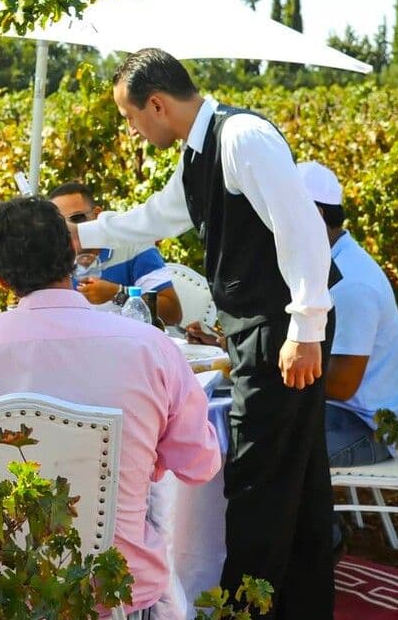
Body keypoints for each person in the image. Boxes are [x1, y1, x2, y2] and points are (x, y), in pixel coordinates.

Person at [71, 48, 336, 619]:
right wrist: (78, 235)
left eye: (130, 116)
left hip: (278, 332)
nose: (133, 130)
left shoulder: (241, 138)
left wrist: (305, 328)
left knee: (257, 486)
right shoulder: (198, 155)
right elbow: (151, 220)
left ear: (158, 105)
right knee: (300, 482)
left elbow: (304, 230)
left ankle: (245, 611)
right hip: (264, 330)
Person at [0, 196, 221, 620]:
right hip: (116, 591)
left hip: (3, 585)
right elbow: (200, 465)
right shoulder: (150, 348)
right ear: (74, 255)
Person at [298, 162, 398, 467]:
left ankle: (314, 517)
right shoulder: (330, 265)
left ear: (315, 216)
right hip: (340, 415)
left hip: (364, 430)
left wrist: (268, 360)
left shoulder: (351, 282)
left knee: (270, 450)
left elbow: (342, 386)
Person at [48, 181, 182, 326]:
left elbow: (173, 313)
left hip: (130, 344)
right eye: (62, 224)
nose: (71, 229)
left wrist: (118, 294)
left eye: (77, 218)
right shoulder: (54, 260)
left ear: (97, 214)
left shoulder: (133, 245)